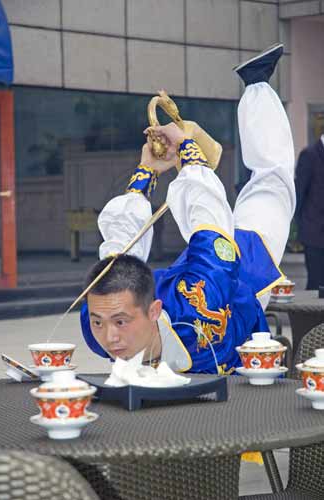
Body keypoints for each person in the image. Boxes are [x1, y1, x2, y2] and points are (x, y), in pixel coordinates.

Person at [80, 43, 296, 374]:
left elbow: (210, 226)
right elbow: (120, 246)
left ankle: (258, 85)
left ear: (153, 311)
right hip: (200, 268)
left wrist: (186, 151)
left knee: (272, 186)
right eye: (98, 322)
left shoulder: (204, 294)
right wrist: (147, 172)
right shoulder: (99, 315)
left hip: (235, 275)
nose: (110, 338)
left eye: (120, 322)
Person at [295, 137, 324, 289]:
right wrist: (300, 227)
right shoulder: (309, 155)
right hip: (314, 233)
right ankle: (309, 313)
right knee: (315, 283)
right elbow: (299, 193)